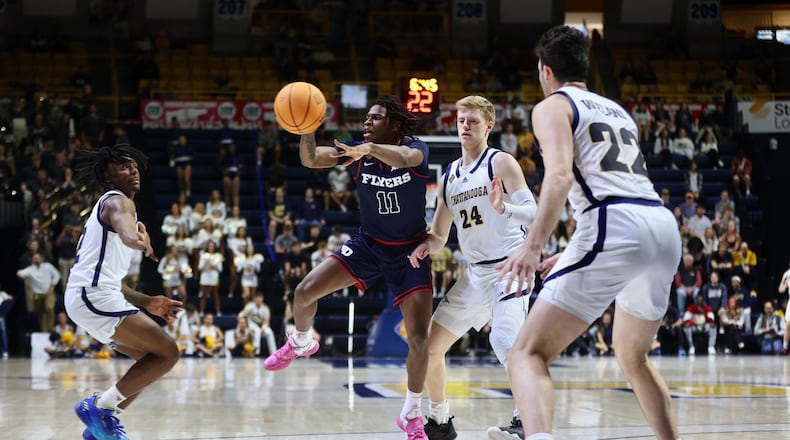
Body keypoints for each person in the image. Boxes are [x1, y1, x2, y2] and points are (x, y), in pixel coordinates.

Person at [496, 26, 682, 440]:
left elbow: (560, 176)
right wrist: (571, 253)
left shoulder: (552, 106)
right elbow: (621, 186)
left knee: (526, 354)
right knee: (633, 357)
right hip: (660, 225)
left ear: (545, 71)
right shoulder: (617, 110)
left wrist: (532, 246)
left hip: (613, 225)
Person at [263, 96, 435, 439]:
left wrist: (366, 149)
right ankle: (299, 341)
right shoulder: (358, 152)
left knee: (418, 337)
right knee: (303, 292)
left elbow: (404, 158)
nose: (366, 123)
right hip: (368, 245)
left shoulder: (415, 148)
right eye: (366, 118)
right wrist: (307, 129)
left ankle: (412, 413)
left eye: (375, 118)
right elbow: (310, 158)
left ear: (395, 125)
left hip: (409, 251)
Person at [407, 95, 536, 440]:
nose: (465, 126)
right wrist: (424, 245)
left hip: (510, 266)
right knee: (430, 347)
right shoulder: (450, 175)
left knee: (506, 339)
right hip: (476, 274)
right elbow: (439, 234)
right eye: (462, 120)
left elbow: (534, 212)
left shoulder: (501, 162)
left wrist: (504, 207)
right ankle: (440, 421)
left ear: (489, 126)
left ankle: (526, 421)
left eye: (473, 121)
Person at [64, 143, 182, 440]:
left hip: (93, 295)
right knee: (168, 352)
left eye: (133, 165)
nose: (132, 169)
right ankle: (98, 408)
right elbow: (129, 234)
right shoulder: (118, 203)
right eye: (123, 166)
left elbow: (112, 279)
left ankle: (97, 428)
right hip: (92, 295)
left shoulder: (111, 206)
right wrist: (140, 241)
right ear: (108, 177)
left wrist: (148, 302)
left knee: (151, 361)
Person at [16, 252, 60, 332]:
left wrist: (53, 285)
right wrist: (23, 276)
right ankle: (44, 331)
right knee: (41, 314)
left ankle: (50, 329)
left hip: (48, 293)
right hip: (38, 295)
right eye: (34, 258)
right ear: (32, 260)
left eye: (37, 258)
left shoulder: (47, 266)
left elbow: (57, 275)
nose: (36, 260)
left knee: (49, 308)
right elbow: (19, 272)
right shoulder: (30, 269)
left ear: (41, 259)